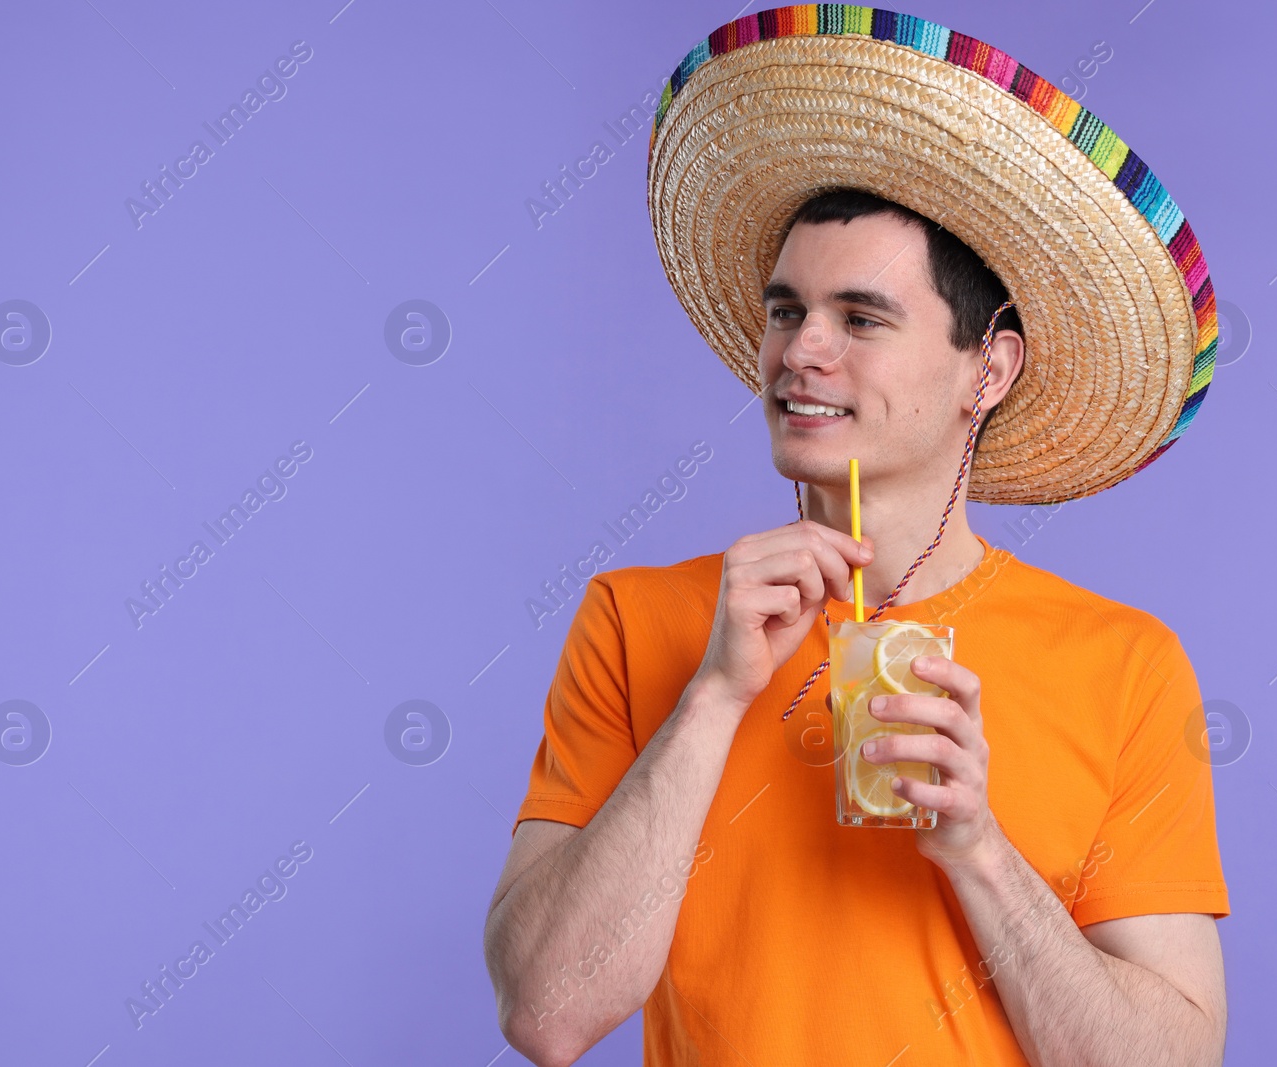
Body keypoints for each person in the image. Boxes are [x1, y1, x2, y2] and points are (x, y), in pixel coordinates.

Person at [485, 8, 1226, 1066]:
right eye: (786, 311)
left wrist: (976, 847)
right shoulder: (636, 617)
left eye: (861, 317)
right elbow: (545, 1013)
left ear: (990, 370)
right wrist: (713, 699)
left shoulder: (1122, 664)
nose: (800, 351)